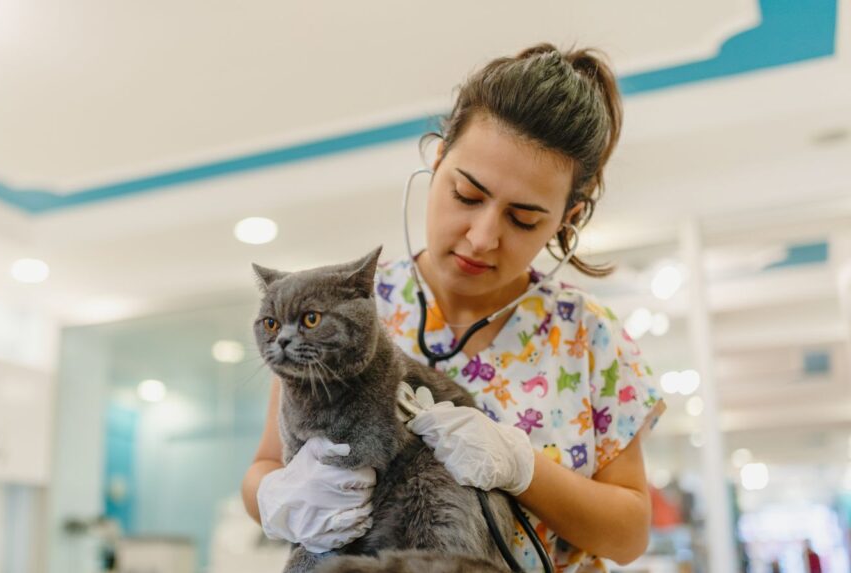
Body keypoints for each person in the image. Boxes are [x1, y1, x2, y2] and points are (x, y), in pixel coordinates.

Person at [241, 43, 665, 571]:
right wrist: (278, 498)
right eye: (467, 195)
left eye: (524, 219)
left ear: (567, 218)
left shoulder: (587, 337)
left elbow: (627, 535)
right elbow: (264, 466)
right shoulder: (339, 307)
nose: (483, 237)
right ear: (437, 159)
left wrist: (523, 468)